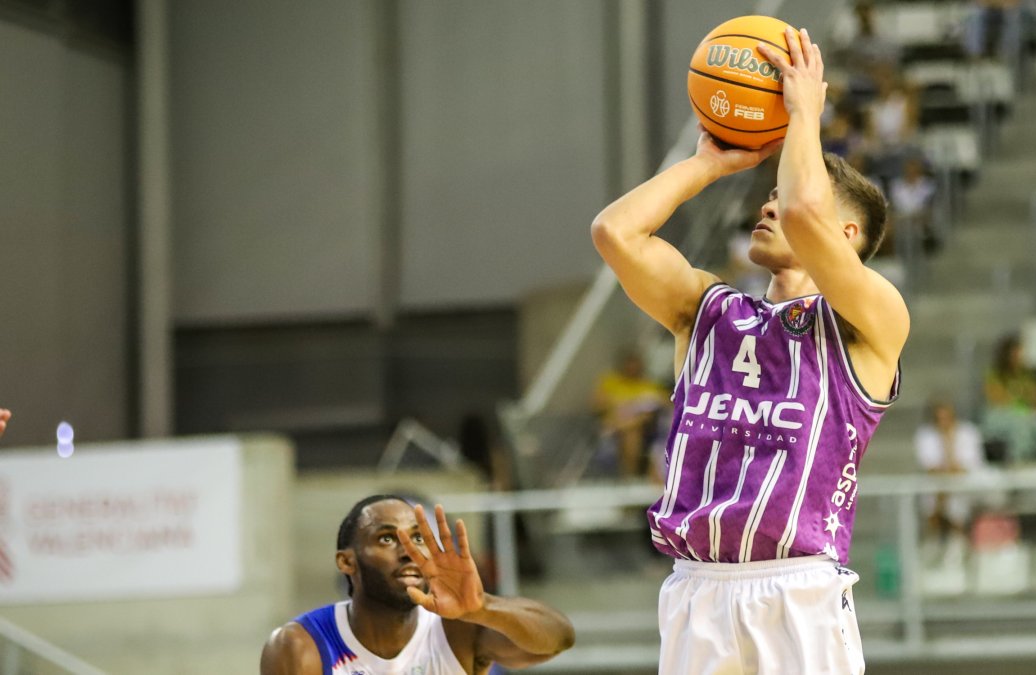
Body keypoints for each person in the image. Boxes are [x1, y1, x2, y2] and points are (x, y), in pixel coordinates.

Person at [591, 27, 906, 675]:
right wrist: (707, 163)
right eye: (766, 198)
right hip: (695, 586)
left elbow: (802, 215)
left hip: (796, 586)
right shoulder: (707, 311)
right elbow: (614, 231)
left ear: (848, 233)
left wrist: (804, 116)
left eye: (776, 196)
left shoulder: (871, 321)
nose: (769, 207)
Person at [260, 496, 574, 674]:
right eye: (386, 538)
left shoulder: (457, 630)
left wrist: (484, 607)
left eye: (418, 538)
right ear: (346, 562)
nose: (408, 552)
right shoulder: (301, 646)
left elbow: (558, 638)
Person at [915, 398, 986, 551]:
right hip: (937, 486)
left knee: (956, 498)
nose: (944, 423)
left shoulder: (968, 432)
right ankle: (935, 537)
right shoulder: (926, 435)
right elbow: (931, 467)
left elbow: (968, 466)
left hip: (963, 484)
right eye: (939, 419)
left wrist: (950, 446)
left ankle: (957, 537)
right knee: (933, 495)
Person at [592, 350, 671, 479]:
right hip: (614, 430)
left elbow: (668, 404)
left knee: (636, 427)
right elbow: (596, 406)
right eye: (630, 366)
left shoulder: (649, 385)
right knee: (631, 431)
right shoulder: (610, 383)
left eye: (636, 366)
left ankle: (635, 475)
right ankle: (630, 475)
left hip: (646, 429)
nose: (633, 369)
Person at [982, 334, 1036, 462]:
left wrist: (1025, 397)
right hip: (999, 414)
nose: (1019, 356)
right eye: (1016, 353)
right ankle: (1018, 459)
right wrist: (1023, 396)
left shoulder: (1026, 375)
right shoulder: (995, 374)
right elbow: (998, 399)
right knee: (1020, 424)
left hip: (1024, 413)